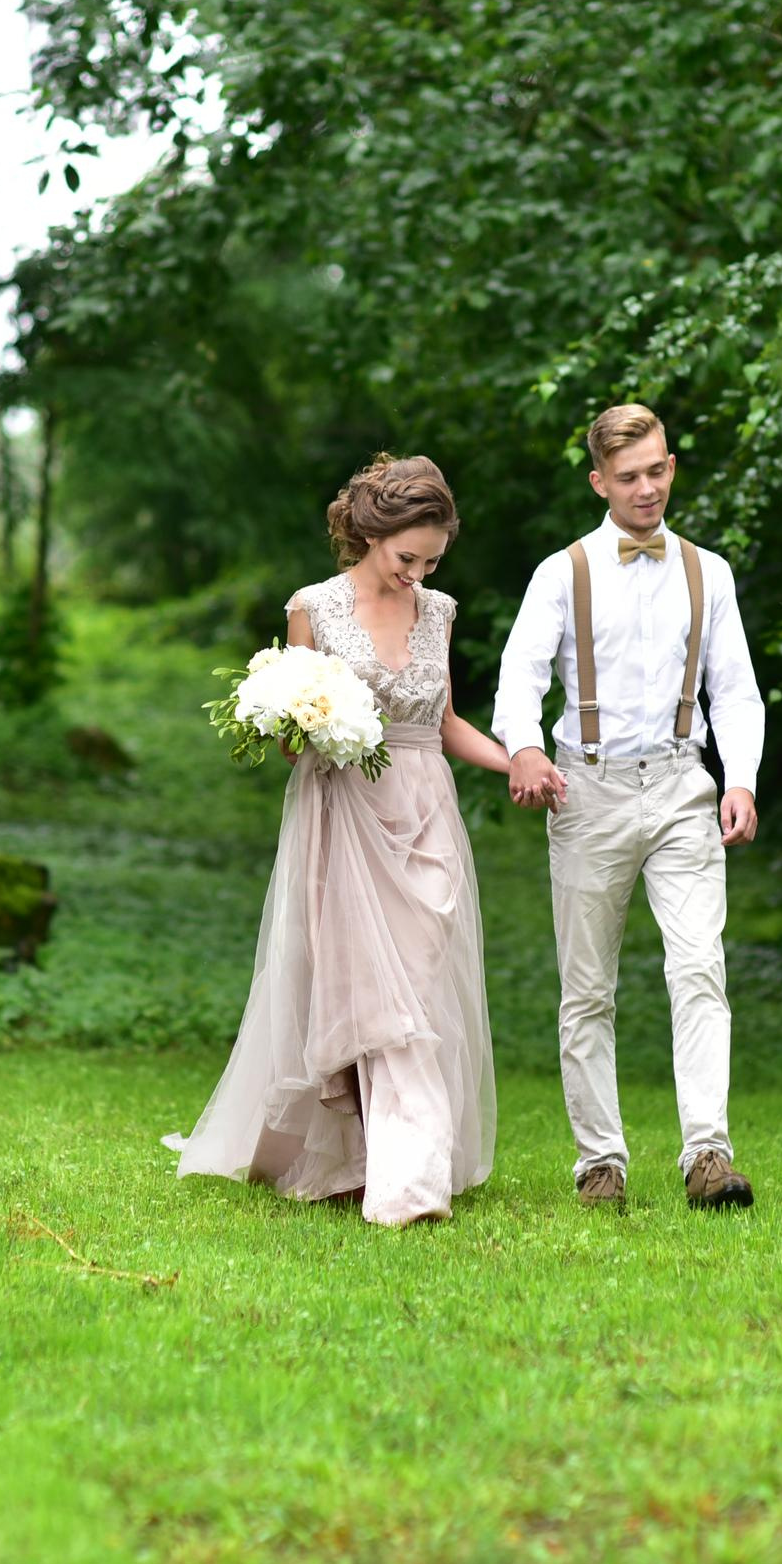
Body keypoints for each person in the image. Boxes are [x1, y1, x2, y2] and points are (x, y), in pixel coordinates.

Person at [168, 454, 511, 1226]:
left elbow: (445, 721)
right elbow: (295, 744)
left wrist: (519, 759)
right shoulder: (312, 608)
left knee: (419, 987)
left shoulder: (441, 610)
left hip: (424, 811)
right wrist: (298, 717)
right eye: (406, 558)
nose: (417, 574)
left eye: (431, 560)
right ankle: (398, 1180)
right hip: (343, 812)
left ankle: (403, 1162)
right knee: (365, 996)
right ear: (369, 534)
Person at [494, 403, 765, 1211]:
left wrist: (741, 776)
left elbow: (737, 688)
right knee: (588, 987)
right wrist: (526, 749)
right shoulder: (561, 572)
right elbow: (518, 677)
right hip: (588, 788)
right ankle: (599, 1163)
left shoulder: (706, 571)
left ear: (671, 466)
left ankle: (708, 1155)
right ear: (598, 481)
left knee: (699, 967)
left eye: (656, 471)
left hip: (684, 784)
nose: (646, 489)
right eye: (628, 477)